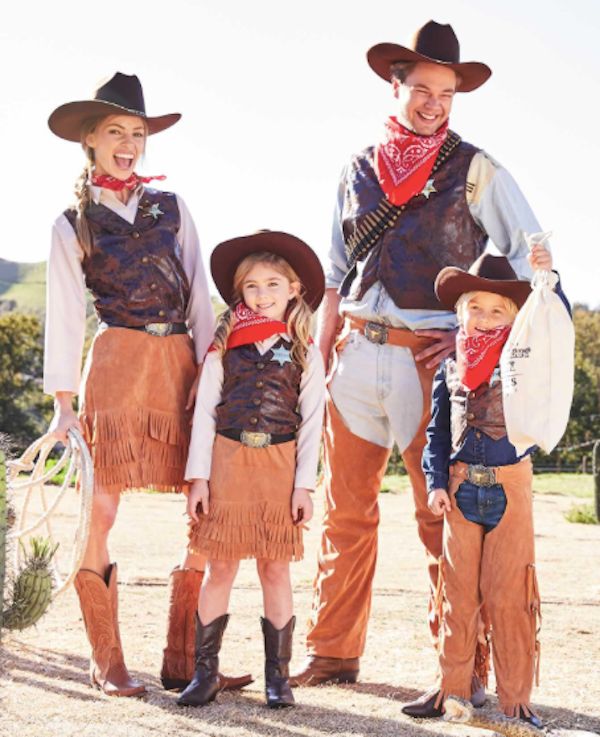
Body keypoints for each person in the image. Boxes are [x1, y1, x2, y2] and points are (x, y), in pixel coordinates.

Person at [291, 20, 548, 693]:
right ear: (396, 85)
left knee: (441, 515)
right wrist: (318, 359)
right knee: (345, 512)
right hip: (354, 352)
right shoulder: (355, 168)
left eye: (448, 92)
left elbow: (530, 254)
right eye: (423, 88)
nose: (435, 102)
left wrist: (477, 337)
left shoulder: (476, 168)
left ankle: (460, 667)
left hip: (428, 360)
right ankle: (332, 652)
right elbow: (331, 271)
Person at [44, 72, 249, 696]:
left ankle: (182, 657)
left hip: (180, 363)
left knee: (203, 504)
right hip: (115, 366)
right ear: (90, 140)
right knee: (100, 508)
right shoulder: (71, 222)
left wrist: (213, 370)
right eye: (116, 132)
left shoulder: (173, 208)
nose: (129, 143)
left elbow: (200, 298)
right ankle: (106, 661)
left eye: (138, 133)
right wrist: (62, 406)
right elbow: (65, 313)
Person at [401, 248, 569, 727]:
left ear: (514, 319)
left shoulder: (526, 363)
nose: (485, 318)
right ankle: (452, 689)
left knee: (509, 595)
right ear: (461, 313)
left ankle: (515, 698)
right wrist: (435, 483)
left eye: (498, 311)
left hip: (508, 488)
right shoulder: (449, 368)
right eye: (476, 308)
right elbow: (435, 434)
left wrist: (545, 274)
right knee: (456, 595)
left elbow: (553, 317)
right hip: (459, 491)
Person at [178, 231, 326, 708]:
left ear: (294, 289)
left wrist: (304, 486)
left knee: (275, 569)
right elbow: (205, 412)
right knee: (219, 566)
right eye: (252, 288)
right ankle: (205, 674)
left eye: (272, 285)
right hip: (227, 460)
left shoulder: (305, 347)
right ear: (239, 294)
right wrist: (198, 476)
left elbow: (313, 422)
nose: (262, 296)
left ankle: (277, 679)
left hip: (279, 466)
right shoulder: (224, 344)